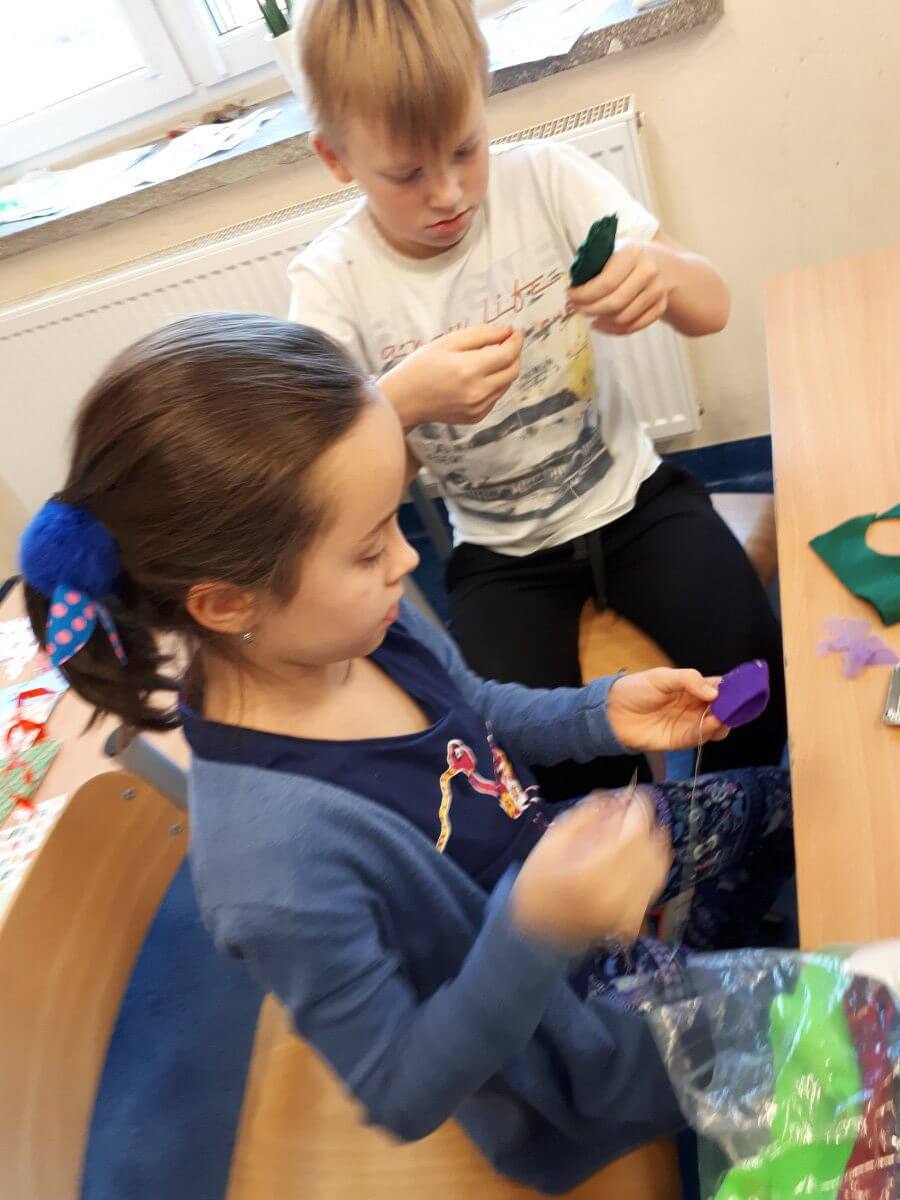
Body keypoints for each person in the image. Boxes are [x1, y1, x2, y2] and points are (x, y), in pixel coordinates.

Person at [20, 315, 793, 1193]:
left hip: (558, 878)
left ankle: (702, 948)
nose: (404, 560)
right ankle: (709, 1004)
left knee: (785, 803)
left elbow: (480, 713)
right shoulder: (267, 867)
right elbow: (403, 1091)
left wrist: (602, 715)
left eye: (395, 520)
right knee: (851, 1035)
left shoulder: (357, 631)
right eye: (368, 546)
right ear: (226, 604)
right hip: (565, 1041)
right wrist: (542, 925)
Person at [288, 0, 787, 801]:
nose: (449, 193)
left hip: (635, 500)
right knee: (541, 755)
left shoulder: (547, 180)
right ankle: (635, 834)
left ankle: (744, 810)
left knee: (752, 659)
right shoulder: (331, 283)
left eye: (466, 148)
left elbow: (713, 306)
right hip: (501, 556)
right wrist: (399, 403)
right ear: (335, 158)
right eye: (407, 175)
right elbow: (326, 486)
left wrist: (659, 279)